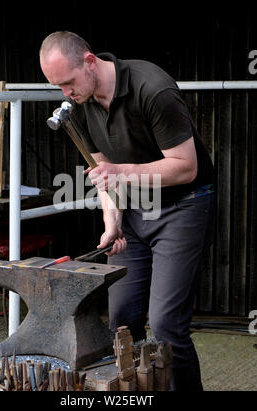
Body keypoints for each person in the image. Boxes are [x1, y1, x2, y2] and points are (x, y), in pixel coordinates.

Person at [40, 31, 215, 391]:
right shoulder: (82, 105)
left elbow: (186, 167)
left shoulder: (153, 88)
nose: (65, 94)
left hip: (183, 206)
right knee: (121, 320)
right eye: (56, 86)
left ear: (89, 61)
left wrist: (124, 172)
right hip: (134, 211)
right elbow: (104, 176)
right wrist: (112, 222)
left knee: (166, 325)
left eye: (68, 82)